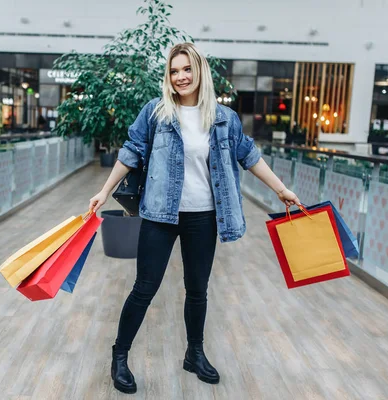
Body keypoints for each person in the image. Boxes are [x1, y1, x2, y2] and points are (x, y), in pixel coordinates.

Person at [88, 43, 301, 395]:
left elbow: (248, 155)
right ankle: (120, 356)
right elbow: (131, 151)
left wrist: (281, 190)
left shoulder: (223, 117)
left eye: (187, 69)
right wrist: (103, 191)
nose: (181, 76)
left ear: (199, 72)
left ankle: (195, 354)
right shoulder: (156, 112)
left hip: (203, 216)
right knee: (144, 289)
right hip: (160, 215)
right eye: (174, 71)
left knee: (197, 290)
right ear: (168, 77)